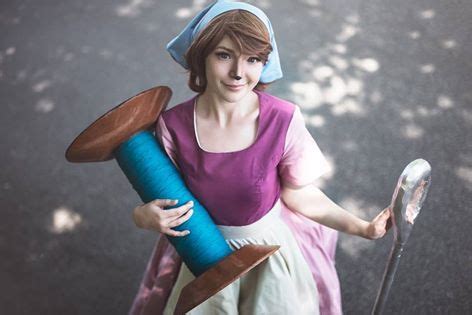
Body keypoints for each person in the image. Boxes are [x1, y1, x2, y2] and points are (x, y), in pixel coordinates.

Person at [129, 1, 390, 314]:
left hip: (268, 258)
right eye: (224, 55)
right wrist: (142, 217)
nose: (239, 73)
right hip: (202, 257)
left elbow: (298, 194)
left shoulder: (283, 119)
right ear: (201, 57)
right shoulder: (173, 125)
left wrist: (364, 228)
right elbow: (162, 195)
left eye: (253, 59)